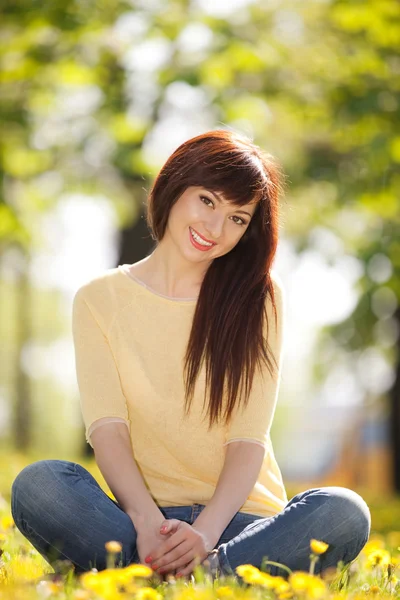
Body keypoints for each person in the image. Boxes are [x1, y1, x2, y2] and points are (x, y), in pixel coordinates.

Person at [11, 129, 371, 583]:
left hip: (241, 524)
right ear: (175, 186)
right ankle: (179, 571)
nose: (216, 229)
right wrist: (144, 523)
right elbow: (108, 430)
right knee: (39, 485)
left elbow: (247, 439)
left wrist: (204, 536)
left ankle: (185, 573)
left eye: (238, 219)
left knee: (343, 512)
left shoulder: (259, 298)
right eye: (207, 201)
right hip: (144, 522)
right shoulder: (98, 299)